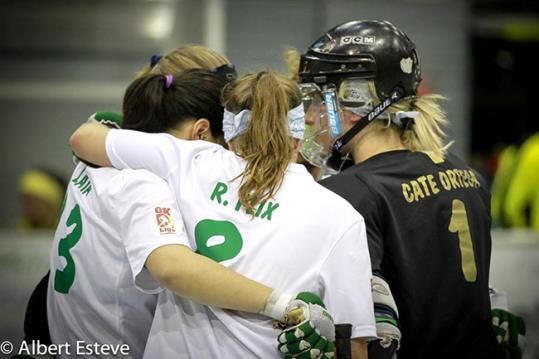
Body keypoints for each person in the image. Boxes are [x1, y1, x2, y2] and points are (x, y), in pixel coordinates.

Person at [69, 69, 376, 358]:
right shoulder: (340, 216)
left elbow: (82, 140)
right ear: (299, 138)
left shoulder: (188, 160)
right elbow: (355, 348)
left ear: (228, 134)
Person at [294, 19, 522, 358]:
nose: (310, 117)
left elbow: (368, 333)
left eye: (316, 98)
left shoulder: (347, 192)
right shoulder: (466, 173)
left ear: (355, 102)